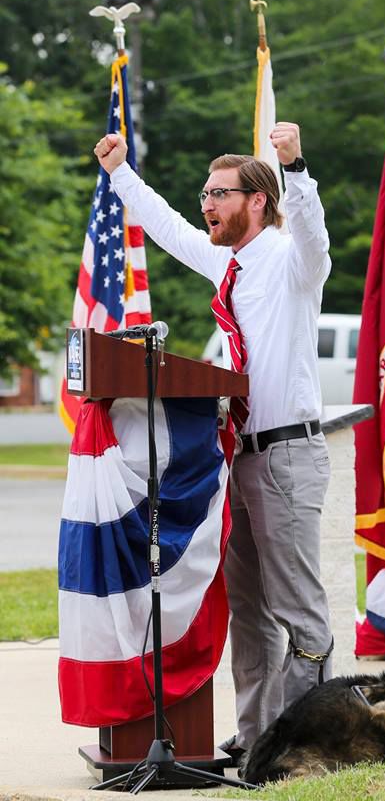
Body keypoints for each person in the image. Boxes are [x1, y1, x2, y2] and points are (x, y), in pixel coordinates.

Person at [94, 123, 334, 763]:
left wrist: (298, 168)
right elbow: (168, 229)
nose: (207, 204)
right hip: (240, 458)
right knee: (251, 616)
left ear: (258, 200)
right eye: (205, 194)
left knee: (299, 612)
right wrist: (120, 174)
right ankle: (258, 741)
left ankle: (304, 741)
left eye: (219, 195)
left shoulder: (288, 260)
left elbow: (315, 241)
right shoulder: (228, 264)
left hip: (286, 455)